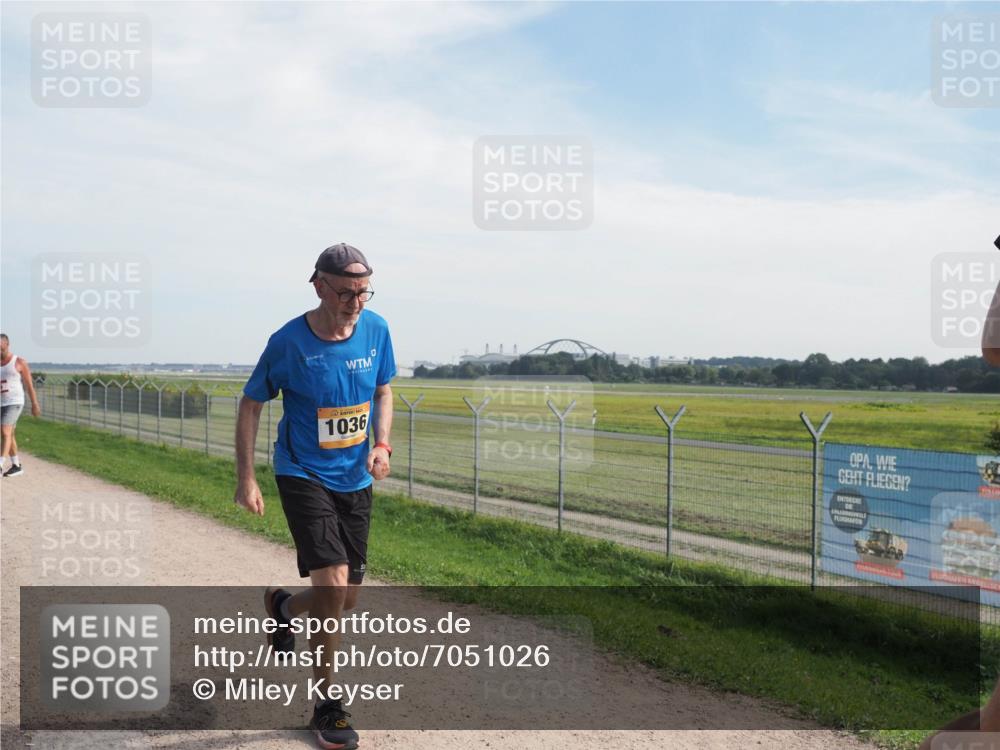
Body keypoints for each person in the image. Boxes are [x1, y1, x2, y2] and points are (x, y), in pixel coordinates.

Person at [233, 244, 395, 750]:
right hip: (302, 472)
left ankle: (282, 605)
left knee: (344, 598)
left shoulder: (377, 329)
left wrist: (382, 444)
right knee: (332, 584)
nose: (355, 302)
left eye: (363, 291)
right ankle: (328, 705)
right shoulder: (288, 342)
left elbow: (384, 389)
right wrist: (246, 477)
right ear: (318, 285)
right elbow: (251, 403)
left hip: (356, 478)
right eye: (346, 291)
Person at [1, 334, 41, 477]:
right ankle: (16, 466)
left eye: (0, 347)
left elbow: (29, 385)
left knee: (4, 431)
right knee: (9, 434)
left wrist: (35, 403)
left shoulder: (19, 362)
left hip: (15, 402)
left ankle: (0, 465)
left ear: (7, 344)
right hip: (2, 403)